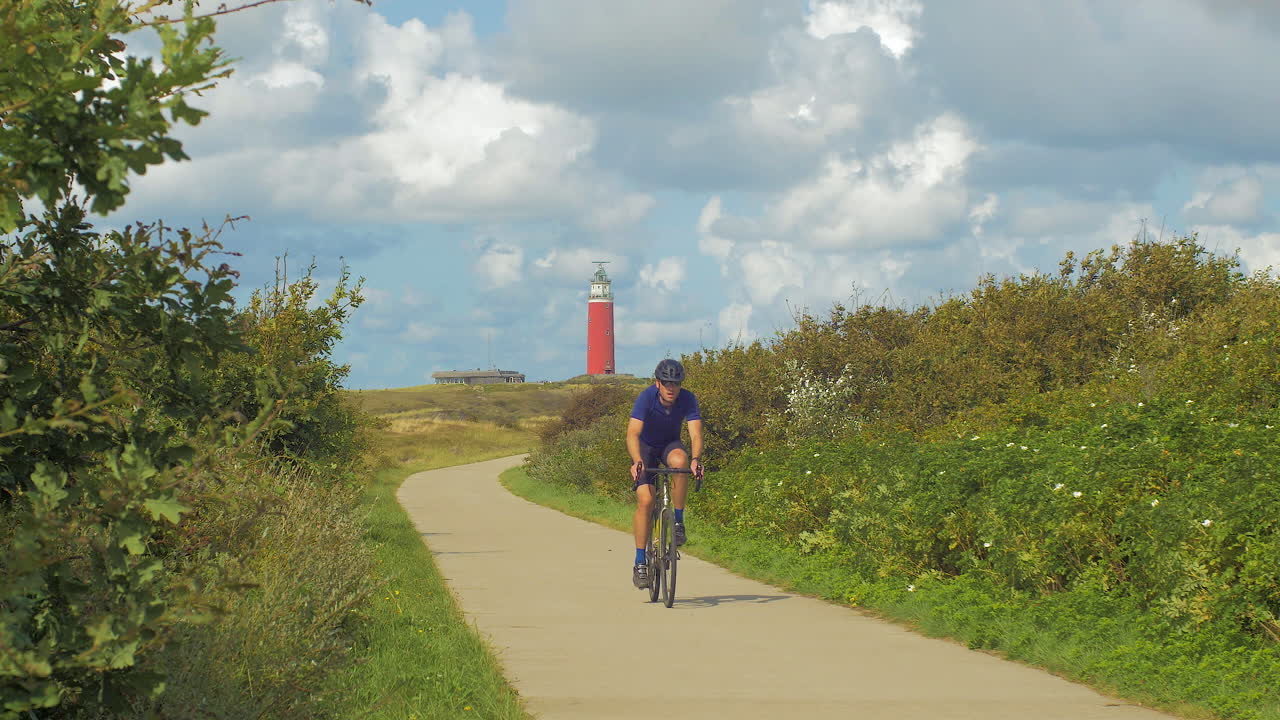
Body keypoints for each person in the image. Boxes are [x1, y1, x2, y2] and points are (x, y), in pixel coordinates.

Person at [627, 358, 704, 589]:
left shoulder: (688, 399)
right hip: (646, 449)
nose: (672, 388)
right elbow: (632, 433)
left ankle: (678, 522)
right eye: (667, 383)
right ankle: (640, 561)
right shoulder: (646, 397)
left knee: (681, 462)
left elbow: (696, 434)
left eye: (676, 383)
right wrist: (637, 460)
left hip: (670, 445)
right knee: (646, 500)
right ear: (657, 383)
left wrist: (697, 459)